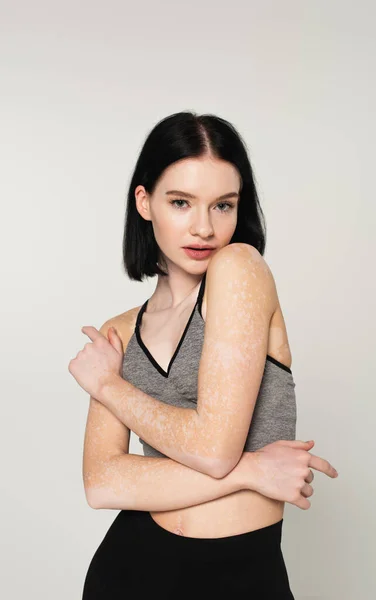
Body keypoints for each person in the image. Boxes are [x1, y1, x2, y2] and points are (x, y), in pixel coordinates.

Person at [68, 111, 338, 599]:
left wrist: (109, 386)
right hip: (130, 571)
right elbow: (102, 483)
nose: (204, 227)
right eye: (180, 202)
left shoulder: (240, 269)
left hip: (239, 575)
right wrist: (254, 470)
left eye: (223, 205)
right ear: (145, 202)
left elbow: (215, 450)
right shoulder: (119, 332)